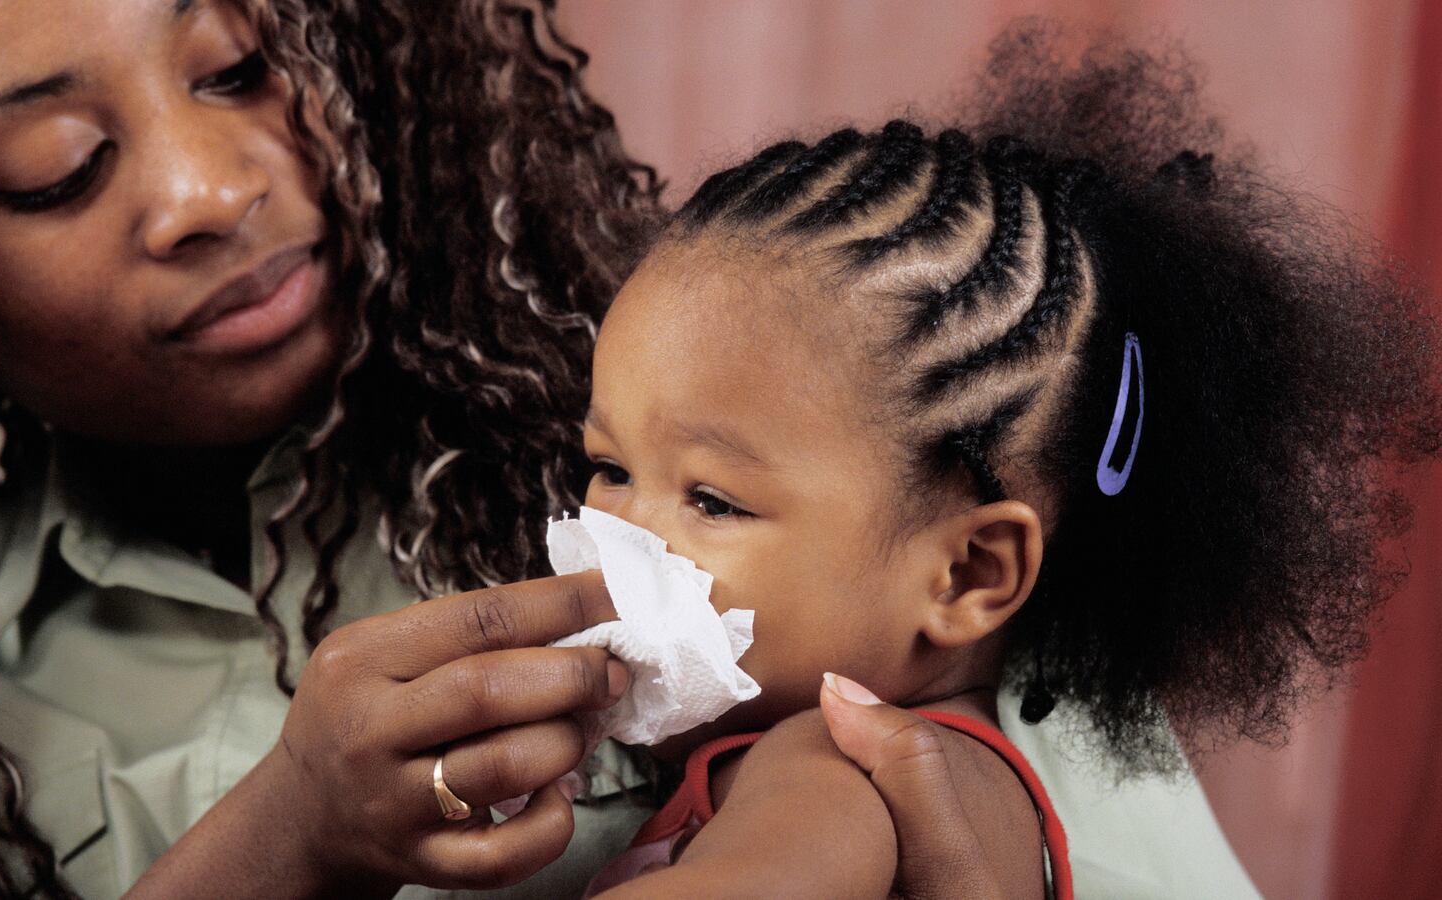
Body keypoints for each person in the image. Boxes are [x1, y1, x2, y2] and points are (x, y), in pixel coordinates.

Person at [0, 0, 1334, 896]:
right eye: (53, 168)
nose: (199, 192)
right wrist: (281, 840)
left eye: (237, 64)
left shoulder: (805, 381)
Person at [551, 31, 1441, 898]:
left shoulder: (837, 763)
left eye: (711, 500)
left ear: (969, 573)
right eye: (609, 466)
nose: (620, 534)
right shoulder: (975, 763)